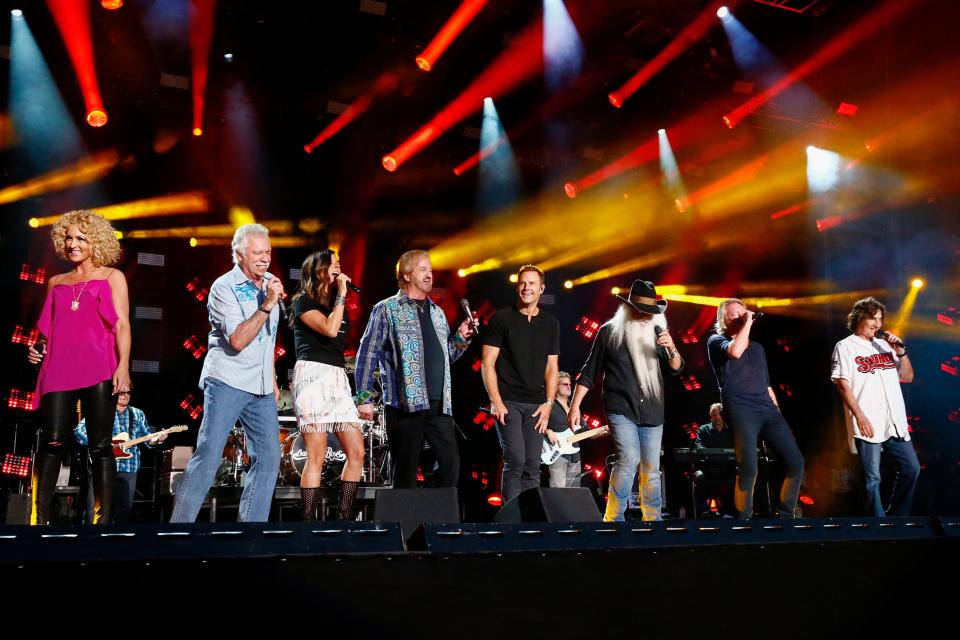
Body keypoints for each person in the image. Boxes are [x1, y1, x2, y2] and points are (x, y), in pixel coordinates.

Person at [170, 224, 284, 523]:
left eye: (268, 252)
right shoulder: (224, 287)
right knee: (209, 454)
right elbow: (237, 340)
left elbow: (268, 339)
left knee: (270, 457)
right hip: (227, 380)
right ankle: (178, 529)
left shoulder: (270, 282)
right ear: (238, 255)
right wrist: (268, 304)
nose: (264, 259)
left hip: (260, 387)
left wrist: (271, 377)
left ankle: (251, 531)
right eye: (257, 253)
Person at [27, 210, 131, 525]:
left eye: (81, 238)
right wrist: (39, 349)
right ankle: (38, 520)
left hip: (100, 366)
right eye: (69, 238)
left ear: (95, 241)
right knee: (52, 440)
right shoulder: (56, 282)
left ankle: (100, 525)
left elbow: (123, 324)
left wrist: (124, 366)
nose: (73, 244)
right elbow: (52, 328)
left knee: (100, 447)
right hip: (59, 369)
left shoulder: (113, 277)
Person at [354, 250, 475, 489]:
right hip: (404, 403)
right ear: (407, 275)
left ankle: (432, 516)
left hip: (439, 403)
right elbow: (368, 352)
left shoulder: (437, 313)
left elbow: (446, 356)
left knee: (451, 463)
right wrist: (364, 396)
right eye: (423, 269)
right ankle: (404, 522)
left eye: (430, 270)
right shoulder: (387, 309)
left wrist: (461, 338)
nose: (429, 275)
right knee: (406, 471)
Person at [569, 279, 684, 521]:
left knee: (651, 469)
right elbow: (590, 371)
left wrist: (672, 347)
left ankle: (653, 520)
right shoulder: (609, 332)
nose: (646, 317)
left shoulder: (657, 333)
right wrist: (574, 405)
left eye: (651, 313)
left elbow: (676, 368)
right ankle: (613, 519)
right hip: (621, 407)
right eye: (643, 311)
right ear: (629, 308)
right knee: (628, 459)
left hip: (652, 410)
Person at [706, 298, 804, 519]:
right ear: (723, 319)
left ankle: (785, 513)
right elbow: (735, 352)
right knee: (749, 466)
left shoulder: (758, 348)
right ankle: (744, 518)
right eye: (735, 314)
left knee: (796, 461)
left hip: (767, 409)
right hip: (740, 408)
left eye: (744, 312)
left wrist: (777, 412)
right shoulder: (716, 341)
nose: (741, 315)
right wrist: (748, 322)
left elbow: (767, 384)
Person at [289, 249, 365, 520]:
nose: (339, 268)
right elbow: (330, 330)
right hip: (312, 376)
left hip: (336, 377)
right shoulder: (303, 301)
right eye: (333, 264)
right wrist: (342, 295)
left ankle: (344, 518)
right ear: (318, 269)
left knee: (357, 451)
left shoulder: (336, 303)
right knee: (317, 455)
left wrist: (339, 298)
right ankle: (307, 522)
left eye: (339, 264)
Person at [831, 297, 920, 516]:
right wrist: (859, 416)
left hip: (894, 422)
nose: (877, 323)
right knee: (872, 477)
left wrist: (900, 351)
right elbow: (843, 385)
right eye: (873, 318)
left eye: (880, 319)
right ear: (860, 318)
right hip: (868, 420)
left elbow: (907, 377)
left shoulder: (884, 346)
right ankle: (878, 523)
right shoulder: (845, 346)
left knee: (912, 468)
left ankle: (898, 518)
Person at [482, 265, 560, 503]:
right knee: (515, 459)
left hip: (537, 405)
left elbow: (552, 368)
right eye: (522, 283)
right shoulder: (502, 318)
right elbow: (487, 363)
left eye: (532, 284)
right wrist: (496, 401)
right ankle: (512, 522)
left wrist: (549, 403)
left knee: (532, 465)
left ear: (541, 288)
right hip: (509, 401)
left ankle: (530, 524)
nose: (527, 288)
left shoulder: (551, 323)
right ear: (518, 287)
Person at [74, 390, 167, 523]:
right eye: (122, 393)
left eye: (128, 393)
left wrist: (158, 439)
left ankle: (117, 541)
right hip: (103, 466)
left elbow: (147, 440)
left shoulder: (137, 414)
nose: (125, 396)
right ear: (114, 393)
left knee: (123, 512)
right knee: (95, 511)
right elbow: (79, 431)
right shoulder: (102, 411)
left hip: (129, 467)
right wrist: (102, 446)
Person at [545, 371, 581, 488]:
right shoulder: (548, 406)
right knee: (558, 493)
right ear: (555, 386)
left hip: (575, 455)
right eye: (564, 384)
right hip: (557, 454)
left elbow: (586, 432)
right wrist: (548, 431)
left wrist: (606, 429)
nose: (569, 386)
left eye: (570, 384)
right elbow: (533, 424)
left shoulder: (575, 408)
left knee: (574, 495)